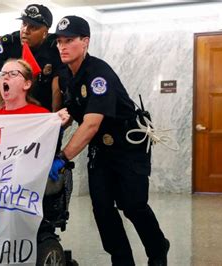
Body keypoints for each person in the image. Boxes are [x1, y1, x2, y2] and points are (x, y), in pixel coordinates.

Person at [51, 15, 169, 266]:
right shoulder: (66, 75)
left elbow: (92, 123)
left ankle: (158, 249)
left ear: (85, 42)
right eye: (60, 41)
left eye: (69, 40)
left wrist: (62, 157)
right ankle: (122, 261)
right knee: (103, 210)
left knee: (133, 205)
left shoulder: (98, 73)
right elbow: (73, 111)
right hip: (101, 150)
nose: (62, 46)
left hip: (128, 146)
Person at [0, 4, 63, 112]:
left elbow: (56, 89)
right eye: (24, 24)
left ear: (45, 33)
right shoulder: (7, 45)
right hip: (13, 110)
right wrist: (3, 117)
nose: (25, 30)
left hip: (44, 110)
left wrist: (53, 121)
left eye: (33, 27)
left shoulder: (55, 46)